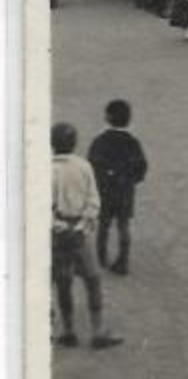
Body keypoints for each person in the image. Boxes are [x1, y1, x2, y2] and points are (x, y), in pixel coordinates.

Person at [51, 122, 122, 349]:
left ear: (52, 144)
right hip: (81, 231)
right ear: (74, 143)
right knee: (92, 280)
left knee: (63, 283)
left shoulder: (45, 169)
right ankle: (98, 331)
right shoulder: (83, 166)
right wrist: (83, 223)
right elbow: (93, 200)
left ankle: (68, 330)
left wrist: (57, 225)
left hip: (58, 234)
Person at [88, 100, 148, 275]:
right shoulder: (133, 142)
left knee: (104, 224)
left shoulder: (100, 141)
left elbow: (93, 164)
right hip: (124, 191)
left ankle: (101, 257)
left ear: (107, 117)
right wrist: (131, 180)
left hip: (105, 191)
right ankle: (123, 260)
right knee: (123, 225)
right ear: (129, 119)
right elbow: (141, 166)